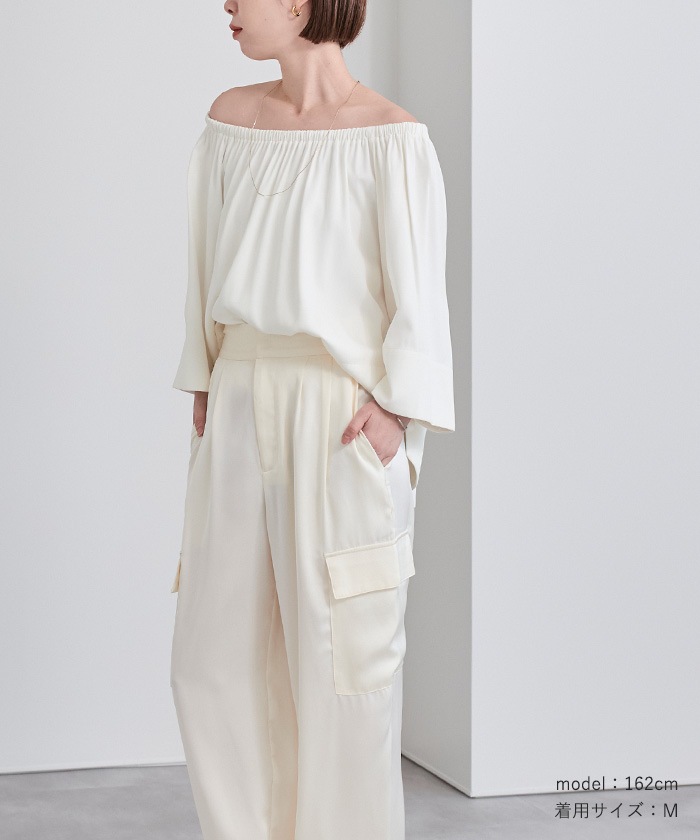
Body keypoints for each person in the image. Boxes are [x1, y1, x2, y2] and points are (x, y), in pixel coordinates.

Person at [168, 1, 456, 838]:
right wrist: (206, 377)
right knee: (211, 661)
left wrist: (396, 414)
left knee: (343, 668)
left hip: (338, 419)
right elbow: (201, 265)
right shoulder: (231, 121)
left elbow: (420, 301)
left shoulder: (391, 137)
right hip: (237, 399)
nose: (227, 4)